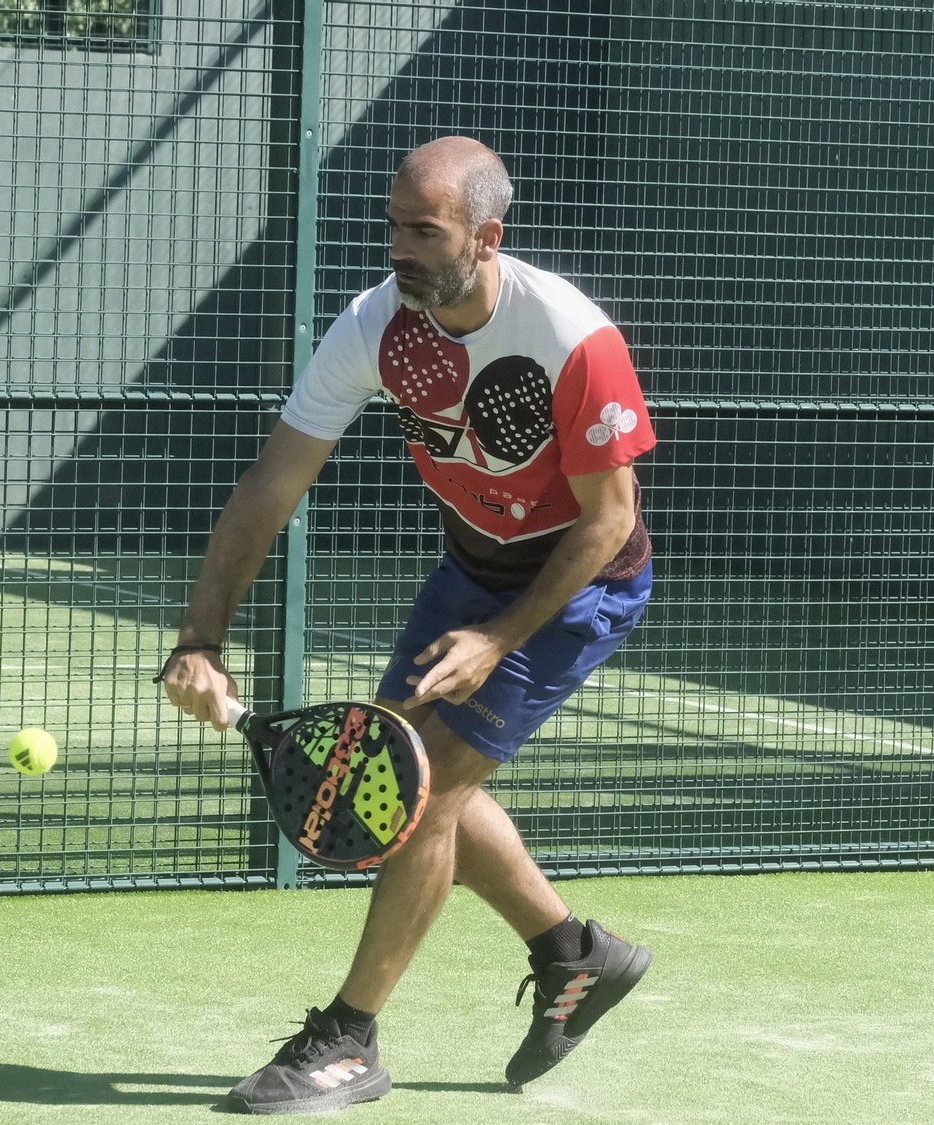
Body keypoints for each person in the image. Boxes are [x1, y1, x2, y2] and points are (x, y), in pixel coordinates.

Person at [157, 135, 656, 1115]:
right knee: (416, 780)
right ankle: (573, 952)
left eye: (423, 232)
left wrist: (498, 639)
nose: (399, 249)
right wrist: (198, 639)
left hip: (575, 587)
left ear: (485, 237)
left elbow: (607, 520)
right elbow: (270, 487)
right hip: (467, 574)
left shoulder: (570, 335)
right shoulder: (375, 326)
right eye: (393, 228)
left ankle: (349, 1040)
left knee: (414, 799)